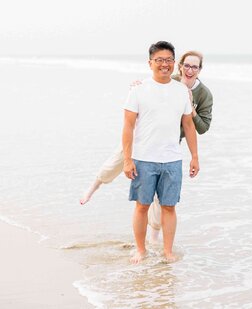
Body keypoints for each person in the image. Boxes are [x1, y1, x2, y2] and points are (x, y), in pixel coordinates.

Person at [79, 51, 213, 242]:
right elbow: (151, 84)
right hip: (142, 138)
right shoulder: (170, 80)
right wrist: (137, 85)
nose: (190, 70)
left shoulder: (204, 94)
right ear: (180, 66)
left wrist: (191, 108)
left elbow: (202, 127)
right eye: (187, 65)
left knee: (163, 200)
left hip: (168, 147)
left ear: (200, 70)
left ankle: (154, 237)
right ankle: (94, 186)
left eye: (195, 67)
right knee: (115, 163)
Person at [123, 41, 199, 264]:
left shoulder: (181, 92)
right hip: (144, 159)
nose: (164, 64)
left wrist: (195, 156)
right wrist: (127, 160)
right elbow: (127, 126)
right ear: (150, 63)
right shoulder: (138, 90)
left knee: (169, 207)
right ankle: (140, 250)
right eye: (159, 60)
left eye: (168, 60)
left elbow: (189, 126)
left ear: (174, 63)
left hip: (172, 160)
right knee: (142, 206)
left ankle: (168, 252)